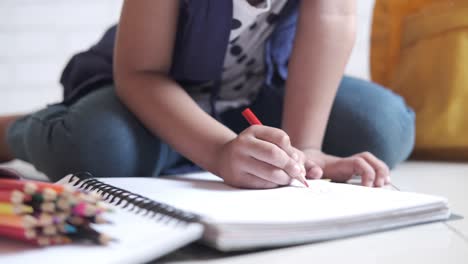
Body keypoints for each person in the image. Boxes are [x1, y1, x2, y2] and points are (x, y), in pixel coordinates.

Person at [0, 0, 415, 189]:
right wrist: (218, 153)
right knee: (101, 146)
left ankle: (206, 153)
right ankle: (17, 130)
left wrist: (308, 146)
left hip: (253, 97)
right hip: (148, 98)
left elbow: (332, 15)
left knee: (382, 127)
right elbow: (140, 73)